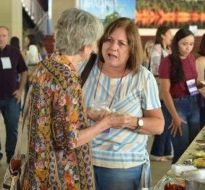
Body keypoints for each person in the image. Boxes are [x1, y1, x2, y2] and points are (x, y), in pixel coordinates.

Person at [20, 8, 123, 189]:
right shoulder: (67, 79)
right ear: (84, 48)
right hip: (58, 178)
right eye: (93, 44)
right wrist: (105, 123)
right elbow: (69, 140)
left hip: (37, 168)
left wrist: (85, 113)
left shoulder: (46, 65)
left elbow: (50, 113)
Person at [82, 17, 164, 190]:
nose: (113, 47)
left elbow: (158, 125)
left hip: (123, 170)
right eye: (109, 40)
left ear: (132, 49)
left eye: (121, 43)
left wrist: (131, 121)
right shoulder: (85, 68)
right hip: (82, 163)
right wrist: (87, 112)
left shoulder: (142, 77)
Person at [0, 26, 28, 167]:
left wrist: (20, 90)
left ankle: (11, 156)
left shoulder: (14, 52)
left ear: (7, 37)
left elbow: (24, 71)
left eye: (4, 35)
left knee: (12, 128)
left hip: (11, 98)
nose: (1, 38)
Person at [159, 28, 201, 163]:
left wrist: (202, 84)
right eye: (184, 44)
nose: (188, 47)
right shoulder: (167, 61)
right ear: (176, 43)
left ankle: (188, 182)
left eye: (191, 44)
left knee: (192, 149)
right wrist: (175, 116)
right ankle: (175, 184)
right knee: (181, 152)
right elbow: (165, 92)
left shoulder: (191, 58)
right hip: (176, 105)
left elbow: (191, 83)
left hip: (193, 103)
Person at [149, 25, 173, 162]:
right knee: (164, 118)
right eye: (170, 33)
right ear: (163, 35)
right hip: (159, 87)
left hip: (167, 85)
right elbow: (156, 68)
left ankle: (166, 150)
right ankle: (156, 152)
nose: (171, 36)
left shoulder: (167, 50)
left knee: (168, 119)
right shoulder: (157, 49)